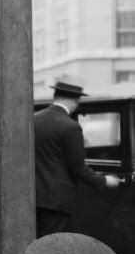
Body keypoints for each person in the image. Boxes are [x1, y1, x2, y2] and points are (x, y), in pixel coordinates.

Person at [34, 80, 120, 237]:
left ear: (56, 96)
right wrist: (105, 181)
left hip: (34, 196)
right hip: (57, 201)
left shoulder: (33, 120)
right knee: (53, 244)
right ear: (74, 101)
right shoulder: (70, 126)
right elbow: (78, 168)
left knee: (38, 241)